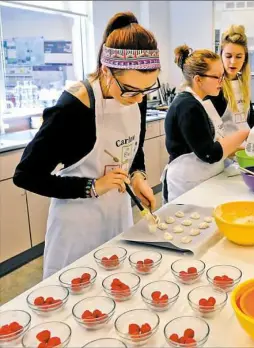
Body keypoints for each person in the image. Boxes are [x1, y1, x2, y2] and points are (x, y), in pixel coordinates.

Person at [13, 12, 160, 278]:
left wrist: (138, 176)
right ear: (106, 71)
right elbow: (25, 176)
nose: (139, 100)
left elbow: (132, 148)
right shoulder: (73, 108)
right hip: (77, 225)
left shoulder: (136, 93)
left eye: (147, 91)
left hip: (117, 215)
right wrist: (92, 186)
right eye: (131, 91)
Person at [163, 45, 254, 203]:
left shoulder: (199, 102)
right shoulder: (187, 106)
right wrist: (245, 134)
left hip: (202, 179)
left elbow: (210, 143)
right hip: (186, 184)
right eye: (217, 77)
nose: (221, 82)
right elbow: (210, 153)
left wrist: (247, 148)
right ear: (198, 79)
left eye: (222, 76)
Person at [205, 24, 254, 146]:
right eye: (228, 56)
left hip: (246, 148)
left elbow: (250, 118)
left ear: (245, 58)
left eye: (239, 57)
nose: (233, 62)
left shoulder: (241, 84)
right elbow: (211, 130)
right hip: (226, 151)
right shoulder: (215, 87)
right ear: (221, 56)